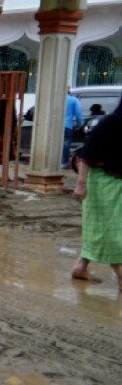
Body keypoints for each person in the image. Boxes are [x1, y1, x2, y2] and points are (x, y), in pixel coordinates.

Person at [71, 96, 122, 291]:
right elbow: (86, 154)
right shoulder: (110, 123)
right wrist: (81, 184)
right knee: (110, 231)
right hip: (101, 182)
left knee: (99, 229)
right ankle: (120, 275)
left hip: (118, 182)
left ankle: (81, 267)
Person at [63, 91, 82, 168]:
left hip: (56, 125)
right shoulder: (74, 100)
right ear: (70, 93)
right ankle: (64, 163)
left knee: (56, 144)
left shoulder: (58, 99)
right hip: (67, 125)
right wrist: (79, 125)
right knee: (66, 143)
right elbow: (78, 114)